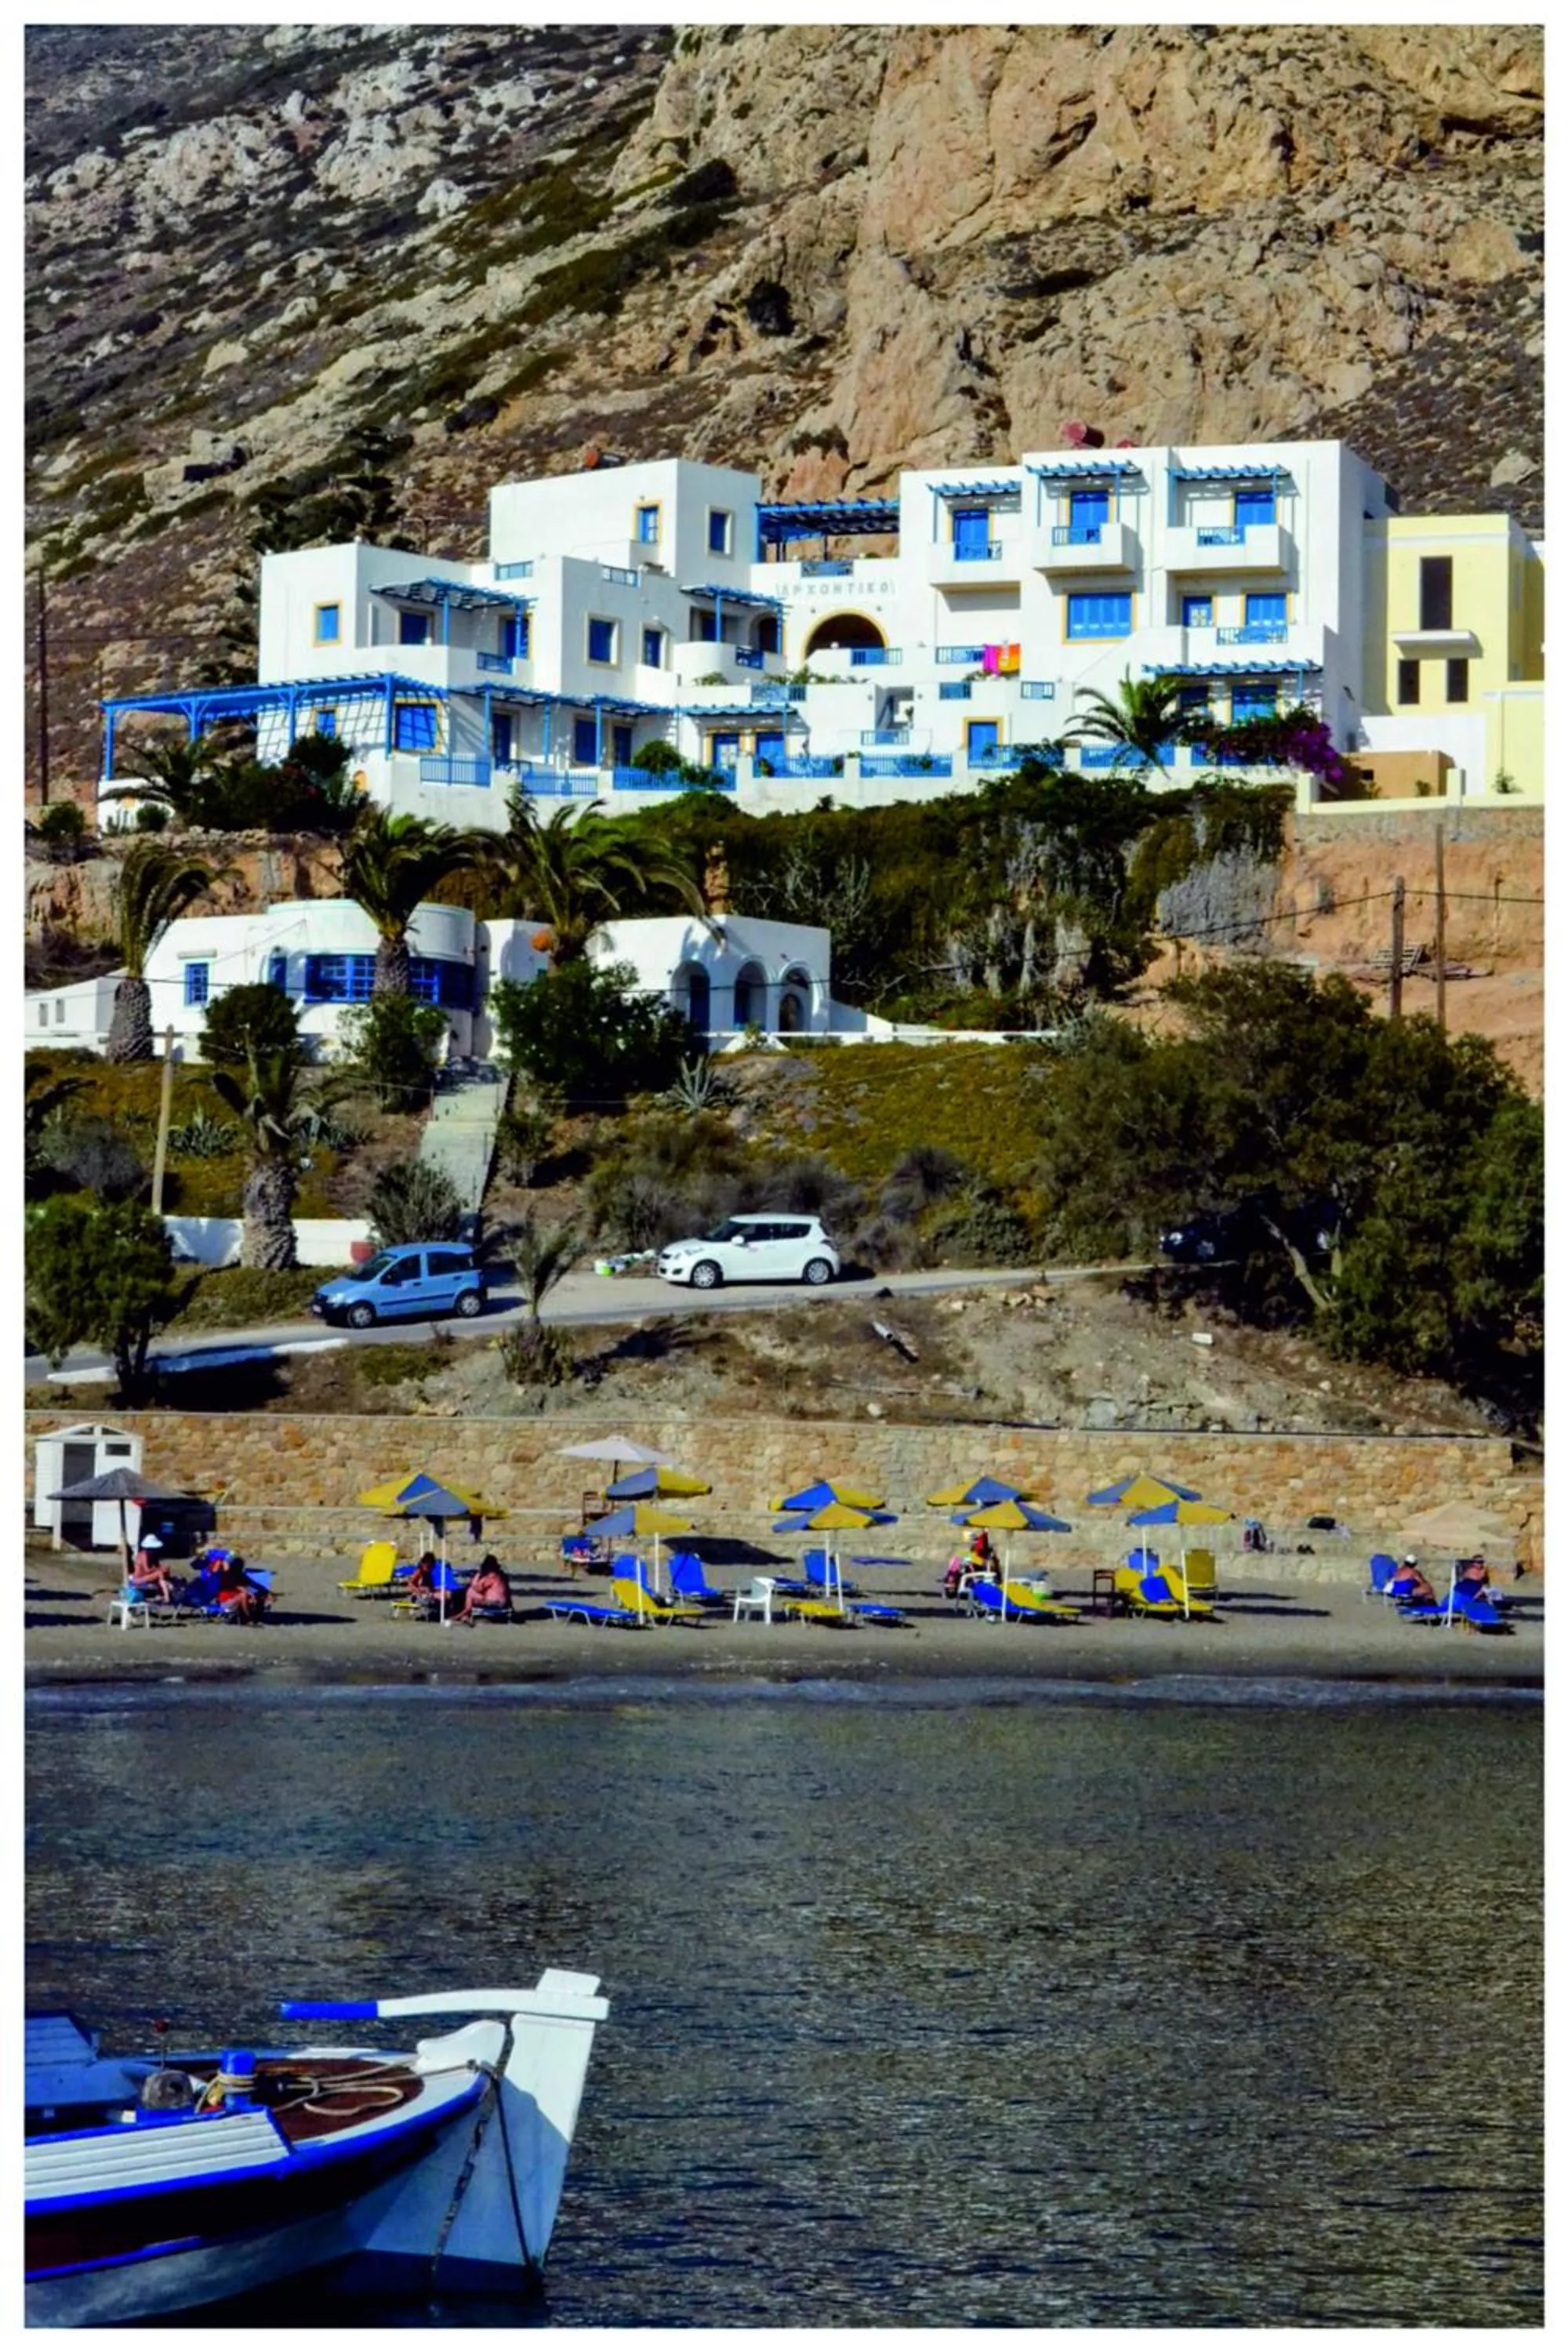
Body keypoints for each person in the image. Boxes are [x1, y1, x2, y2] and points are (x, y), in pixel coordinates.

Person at [452, 1555, 511, 1625]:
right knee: (471, 1592)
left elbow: (478, 1588)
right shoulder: (500, 1575)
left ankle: (464, 1613)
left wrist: (478, 1575)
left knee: (470, 1592)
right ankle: (465, 1613)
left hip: (495, 1602)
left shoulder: (492, 1576)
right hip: (502, 1601)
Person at [213, 1553, 266, 1624]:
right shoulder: (228, 1575)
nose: (242, 1567)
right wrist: (252, 1595)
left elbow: (253, 1584)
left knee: (259, 1597)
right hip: (226, 1603)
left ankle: (255, 1618)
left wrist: (266, 1593)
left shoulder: (240, 1575)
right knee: (243, 1595)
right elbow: (240, 1588)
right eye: (241, 1565)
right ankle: (249, 1618)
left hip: (236, 1601)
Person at [128, 1534, 175, 1606]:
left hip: (148, 1577)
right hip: (139, 1578)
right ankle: (166, 1596)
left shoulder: (153, 1556)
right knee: (159, 1573)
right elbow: (147, 1570)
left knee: (163, 1571)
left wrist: (163, 1569)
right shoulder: (143, 1555)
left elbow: (157, 1567)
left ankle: (163, 1594)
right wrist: (159, 1569)